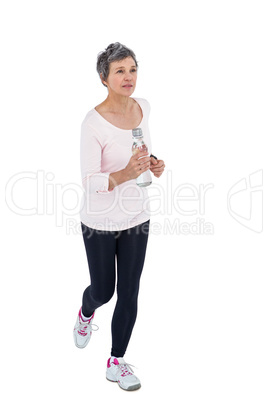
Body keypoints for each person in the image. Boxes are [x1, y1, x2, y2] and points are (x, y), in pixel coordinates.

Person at [73, 42, 165, 391]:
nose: (128, 77)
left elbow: (140, 150)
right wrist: (126, 174)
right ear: (104, 78)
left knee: (129, 292)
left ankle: (117, 361)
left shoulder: (143, 107)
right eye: (120, 71)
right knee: (103, 291)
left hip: (136, 216)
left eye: (132, 69)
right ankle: (85, 314)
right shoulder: (92, 123)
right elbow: (89, 181)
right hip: (99, 221)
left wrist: (153, 164)